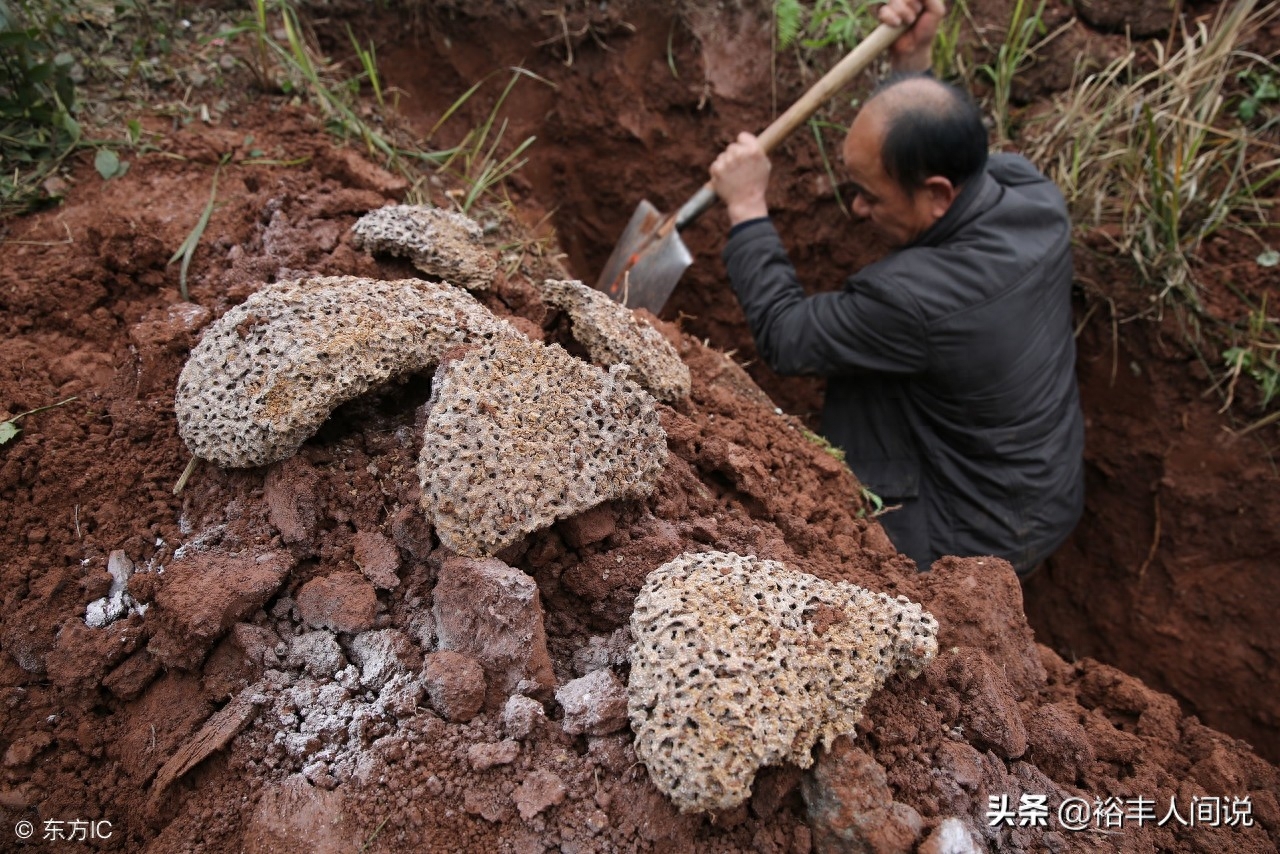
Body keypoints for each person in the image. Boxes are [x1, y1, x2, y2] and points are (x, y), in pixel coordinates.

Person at [708, 0, 1084, 576]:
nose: (856, 208)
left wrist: (749, 209)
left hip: (972, 540)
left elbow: (786, 337)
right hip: (1041, 492)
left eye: (870, 193)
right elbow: (935, 138)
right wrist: (915, 66)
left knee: (853, 397)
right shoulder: (1031, 193)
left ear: (937, 195)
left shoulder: (911, 301)